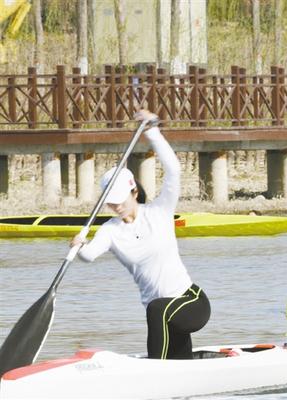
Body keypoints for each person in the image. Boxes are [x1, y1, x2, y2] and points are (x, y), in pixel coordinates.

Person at [70, 110, 210, 360]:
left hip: (191, 304)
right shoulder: (110, 231)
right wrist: (79, 245)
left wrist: (152, 131)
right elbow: (89, 255)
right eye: (111, 203)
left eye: (119, 200)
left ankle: (154, 371)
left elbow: (174, 172)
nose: (117, 207)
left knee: (157, 309)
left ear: (133, 191)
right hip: (165, 320)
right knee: (176, 355)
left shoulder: (160, 211)